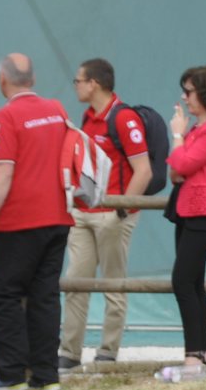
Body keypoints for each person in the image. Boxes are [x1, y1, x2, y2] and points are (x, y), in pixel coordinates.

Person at [0, 53, 70, 390]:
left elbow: (3, 172)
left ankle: (11, 373)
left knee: (2, 293)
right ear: (32, 78)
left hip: (19, 220)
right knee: (45, 296)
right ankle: (46, 375)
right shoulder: (57, 110)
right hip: (58, 215)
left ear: (3, 79)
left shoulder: (5, 117)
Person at [60, 58, 151, 370]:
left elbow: (144, 170)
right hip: (83, 213)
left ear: (93, 83)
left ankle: (108, 352)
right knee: (75, 283)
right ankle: (69, 352)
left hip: (112, 214)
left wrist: (121, 210)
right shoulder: (87, 118)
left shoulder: (123, 119)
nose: (76, 86)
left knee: (114, 283)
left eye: (78, 81)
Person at [159, 65, 206, 381]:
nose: (184, 97)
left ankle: (193, 356)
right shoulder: (198, 131)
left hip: (203, 213)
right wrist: (181, 146)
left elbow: (183, 162)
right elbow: (175, 171)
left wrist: (176, 134)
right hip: (188, 211)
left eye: (188, 91)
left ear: (204, 94)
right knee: (193, 284)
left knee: (182, 281)